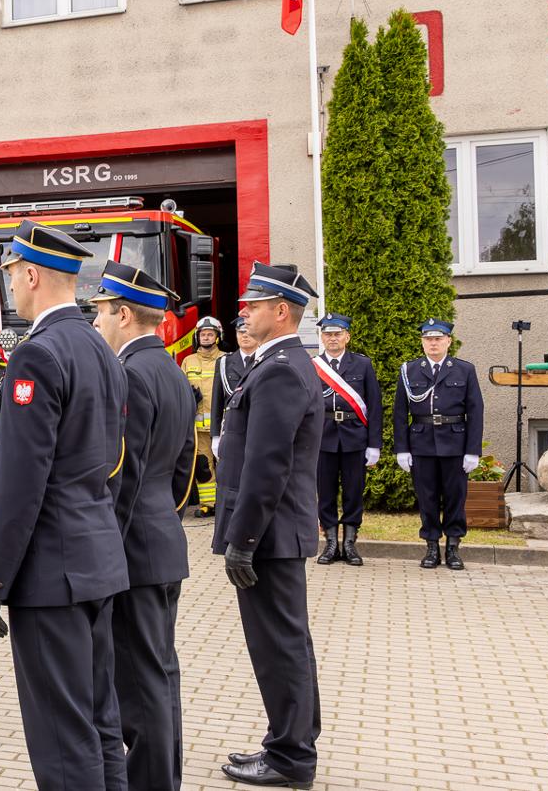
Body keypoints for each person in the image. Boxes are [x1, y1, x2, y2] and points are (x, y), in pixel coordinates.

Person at [0, 222, 129, 791]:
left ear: (31, 275)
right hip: (96, 561)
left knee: (64, 739)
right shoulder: (101, 347)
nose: (10, 284)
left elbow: (18, 487)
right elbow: (111, 463)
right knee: (100, 723)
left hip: (50, 575)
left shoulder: (37, 356)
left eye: (12, 274)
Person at [215, 262, 323, 790]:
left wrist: (243, 541)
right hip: (277, 533)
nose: (244, 312)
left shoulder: (280, 367)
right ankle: (293, 743)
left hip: (270, 536)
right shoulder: (279, 362)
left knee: (278, 646)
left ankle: (290, 757)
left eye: (253, 305)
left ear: (281, 312)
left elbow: (267, 465)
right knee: (288, 643)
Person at [90, 260, 193, 791]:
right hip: (163, 539)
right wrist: (162, 518)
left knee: (139, 680)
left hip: (132, 549)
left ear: (124, 314)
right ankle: (163, 778)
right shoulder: (174, 370)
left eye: (102, 312)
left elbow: (120, 475)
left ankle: (152, 782)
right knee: (160, 673)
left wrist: (108, 550)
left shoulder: (128, 374)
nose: (97, 323)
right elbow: (184, 468)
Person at [391, 319, 484, 571]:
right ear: (422, 342)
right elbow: (400, 413)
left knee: (455, 497)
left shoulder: (464, 370)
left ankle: (453, 547)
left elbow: (476, 411)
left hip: (455, 443)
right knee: (427, 497)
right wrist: (402, 448)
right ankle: (431, 546)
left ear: (448, 342)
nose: (433, 343)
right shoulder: (409, 370)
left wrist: (473, 451)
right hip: (421, 443)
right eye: (428, 339)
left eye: (438, 339)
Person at [312, 314, 381, 567]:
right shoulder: (313, 366)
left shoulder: (362, 365)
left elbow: (374, 406)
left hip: (354, 437)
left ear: (347, 337)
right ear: (322, 337)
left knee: (353, 492)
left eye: (337, 334)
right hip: (324, 437)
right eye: (328, 334)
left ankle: (350, 543)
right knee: (326, 493)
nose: (332, 338)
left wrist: (374, 444)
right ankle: (330, 543)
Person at [182, 317, 226, 516]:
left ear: (218, 337)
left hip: (223, 426)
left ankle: (227, 503)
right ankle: (208, 504)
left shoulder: (226, 359)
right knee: (203, 466)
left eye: (210, 334)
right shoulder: (188, 361)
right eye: (203, 334)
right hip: (198, 428)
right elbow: (180, 388)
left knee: (227, 465)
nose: (206, 337)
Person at [211, 317, 259, 456]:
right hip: (232, 429)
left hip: (258, 427)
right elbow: (217, 401)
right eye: (240, 332)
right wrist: (215, 436)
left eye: (248, 332)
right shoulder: (224, 362)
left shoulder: (267, 360)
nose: (244, 336)